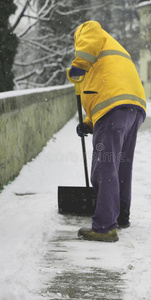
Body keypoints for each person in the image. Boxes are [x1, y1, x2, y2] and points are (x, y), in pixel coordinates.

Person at [69, 20, 146, 242]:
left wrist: (79, 63)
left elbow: (90, 29)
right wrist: (89, 122)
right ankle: (120, 216)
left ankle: (104, 227)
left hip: (114, 107)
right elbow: (104, 89)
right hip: (133, 106)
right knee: (121, 165)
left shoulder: (89, 30)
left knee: (104, 168)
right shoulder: (111, 50)